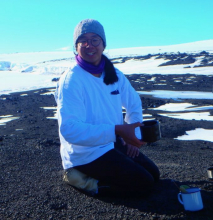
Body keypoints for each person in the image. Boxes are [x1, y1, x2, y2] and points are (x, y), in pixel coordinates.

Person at [55, 19, 160, 197]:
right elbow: (69, 130)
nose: (90, 45)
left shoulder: (113, 74)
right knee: (144, 184)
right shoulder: (71, 80)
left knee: (154, 174)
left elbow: (133, 102)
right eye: (83, 40)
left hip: (111, 143)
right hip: (85, 152)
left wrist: (131, 134)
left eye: (95, 39)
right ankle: (78, 177)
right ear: (76, 46)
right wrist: (118, 130)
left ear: (103, 44)